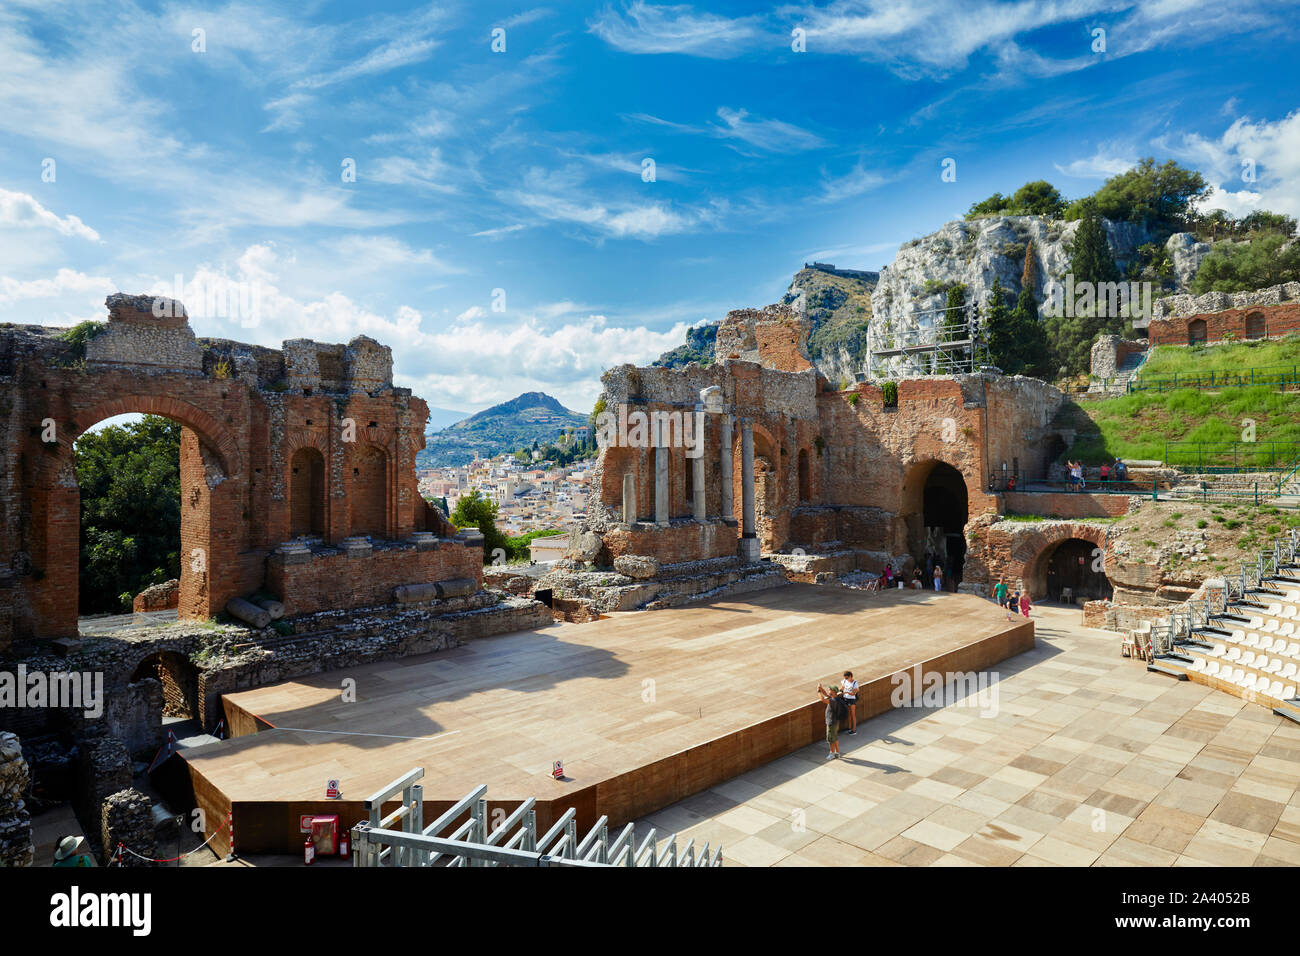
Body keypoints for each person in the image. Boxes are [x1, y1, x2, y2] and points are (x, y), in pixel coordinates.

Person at [816, 683, 843, 759]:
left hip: (831, 722)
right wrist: (821, 688)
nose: (828, 691)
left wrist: (818, 691)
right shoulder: (835, 698)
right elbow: (826, 695)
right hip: (835, 722)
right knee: (835, 737)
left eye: (830, 690)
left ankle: (831, 753)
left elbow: (823, 699)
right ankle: (837, 753)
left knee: (831, 739)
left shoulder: (833, 700)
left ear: (833, 692)